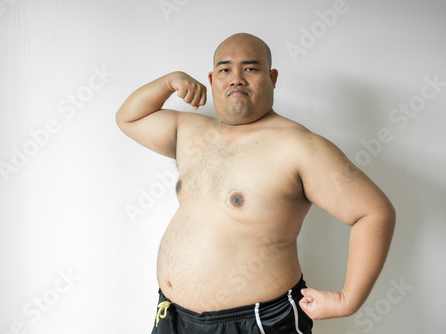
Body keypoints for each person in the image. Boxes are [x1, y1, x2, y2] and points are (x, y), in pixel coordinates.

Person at [116, 33, 395, 334]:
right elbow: (128, 119)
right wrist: (168, 82)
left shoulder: (300, 147)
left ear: (272, 78)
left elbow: (374, 212)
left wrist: (347, 300)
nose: (236, 78)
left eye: (250, 69)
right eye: (225, 70)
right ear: (212, 79)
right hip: (172, 315)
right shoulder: (189, 132)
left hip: (256, 322)